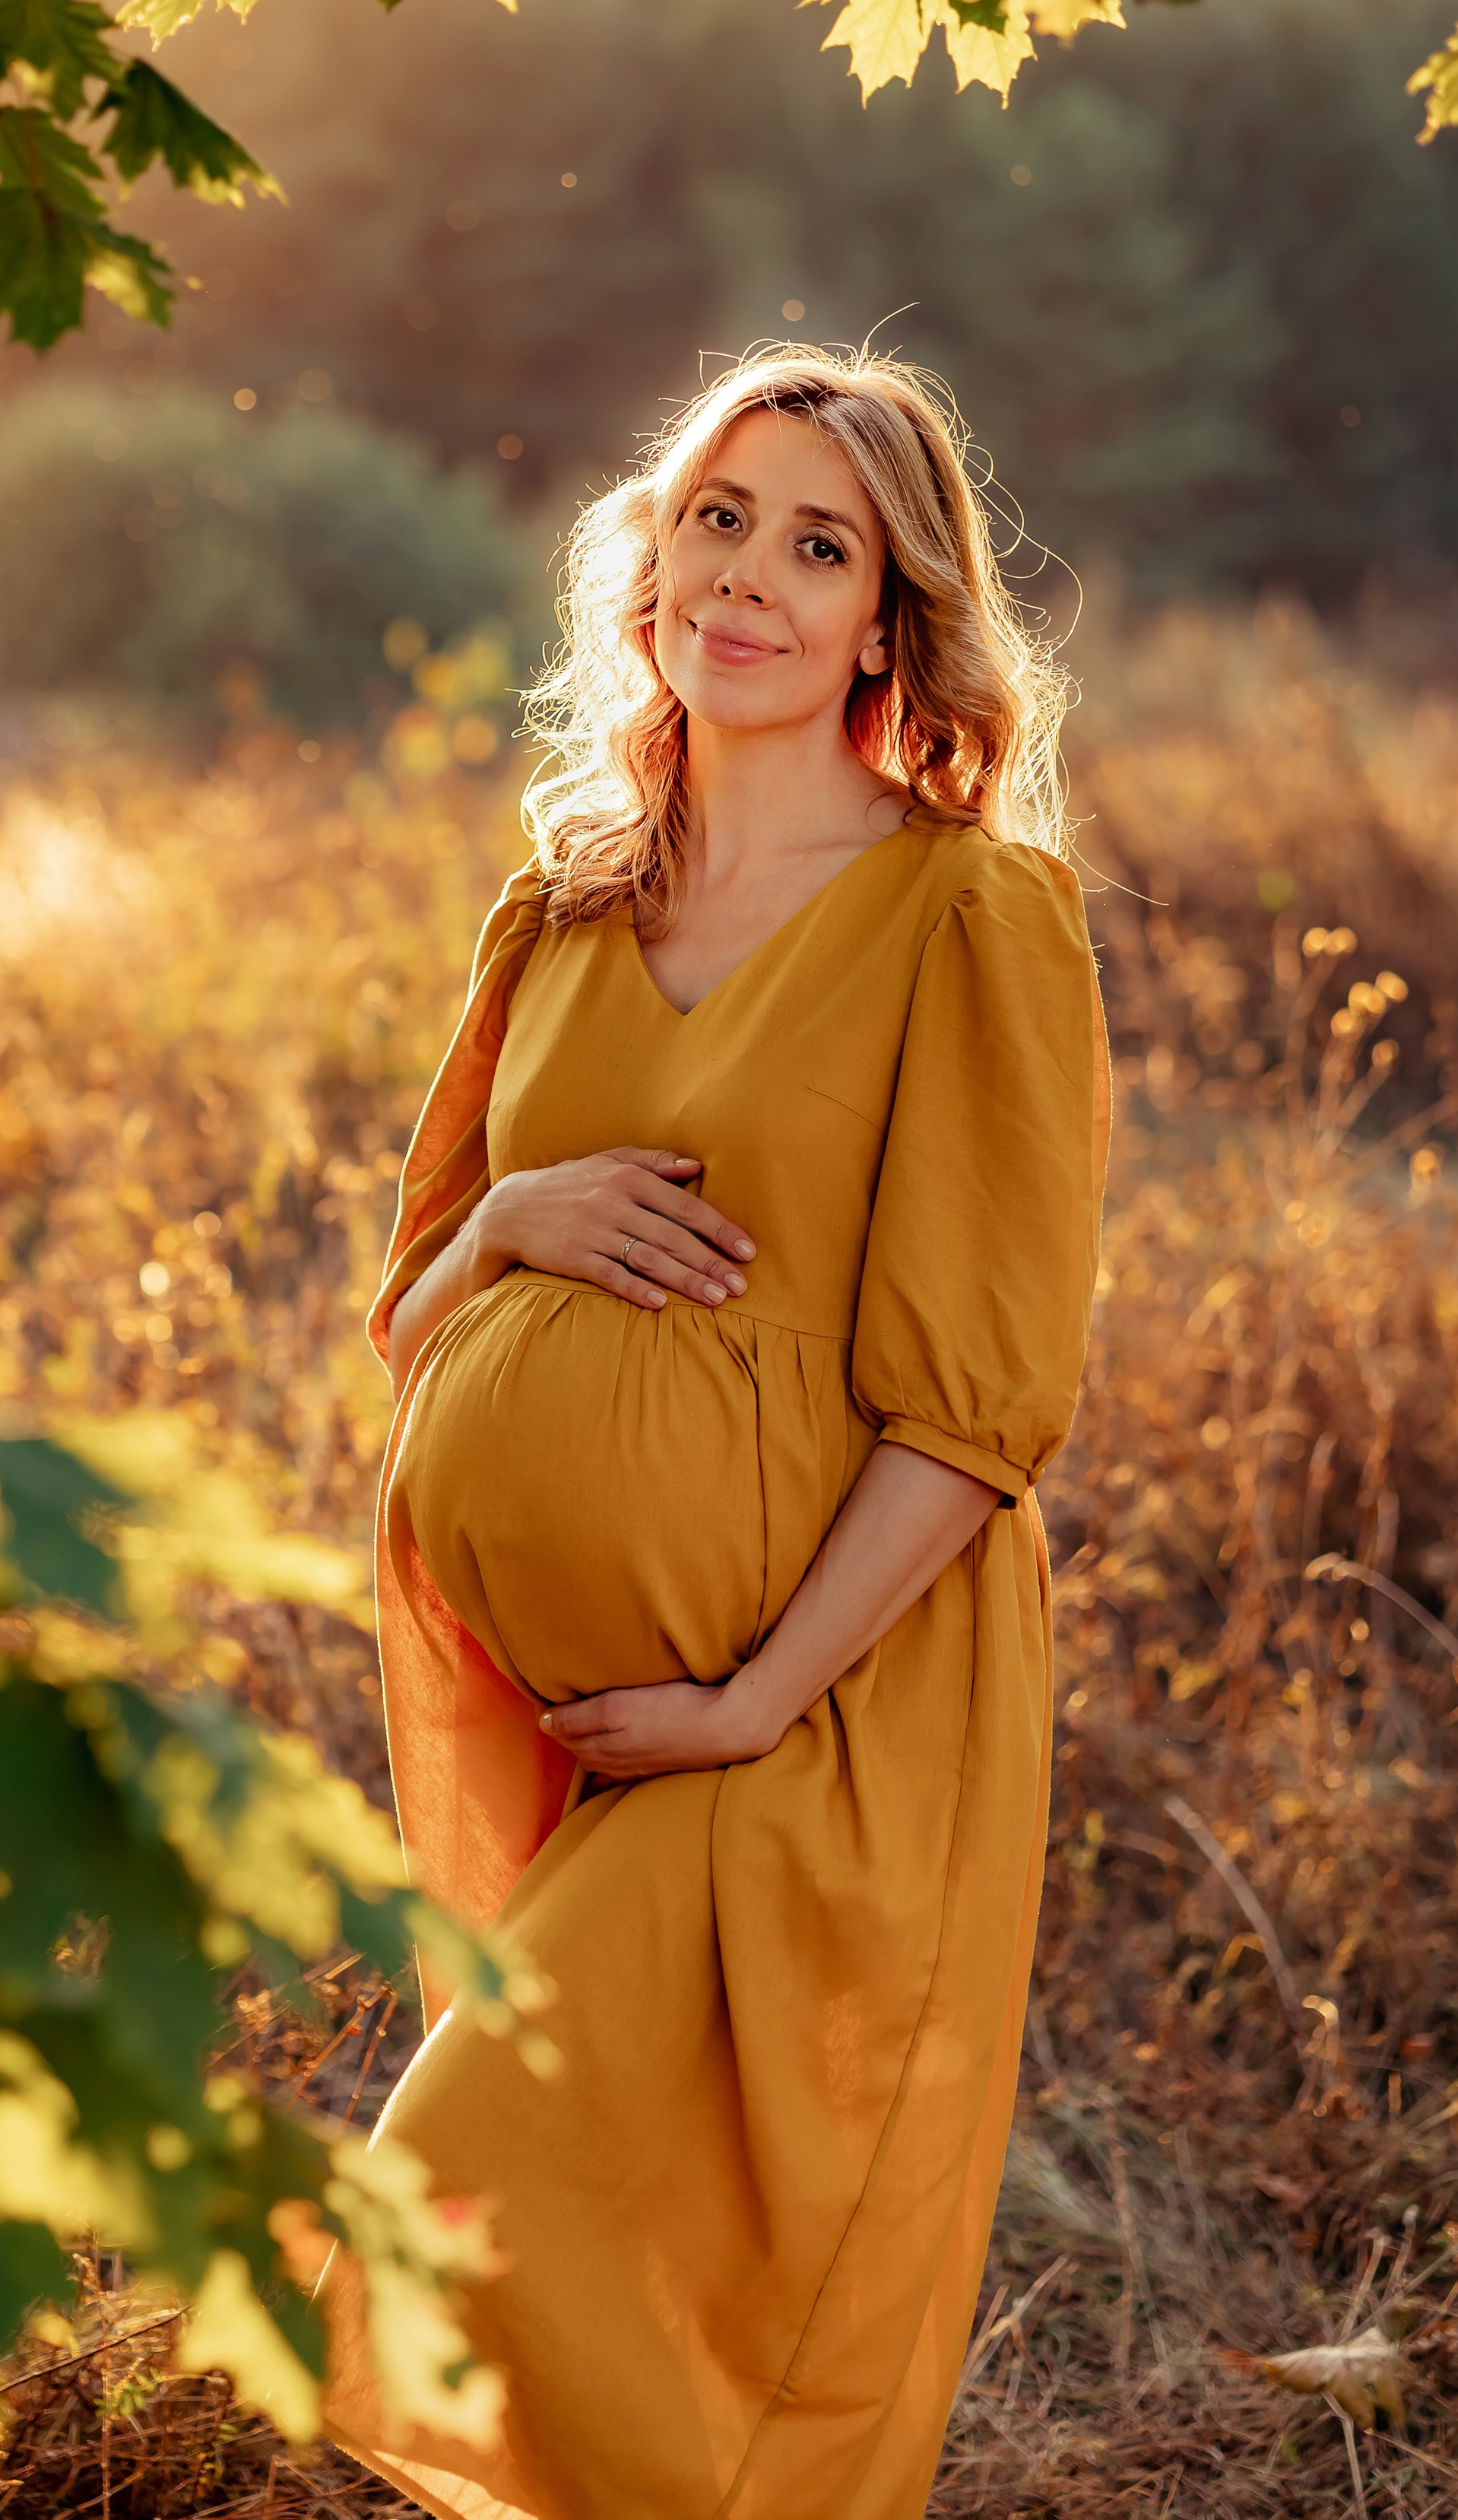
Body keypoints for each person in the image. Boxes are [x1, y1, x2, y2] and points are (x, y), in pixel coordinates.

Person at [325, 347, 1109, 2520]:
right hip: (589, 1712)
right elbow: (407, 1322)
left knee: (514, 2213)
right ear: (651, 563)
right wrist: (507, 1216)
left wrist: (755, 1697)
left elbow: (978, 1405)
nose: (749, 577)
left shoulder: (971, 914)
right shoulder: (560, 908)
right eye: (718, 518)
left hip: (823, 1701)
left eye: (819, 543)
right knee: (600, 2268)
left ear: (893, 618)